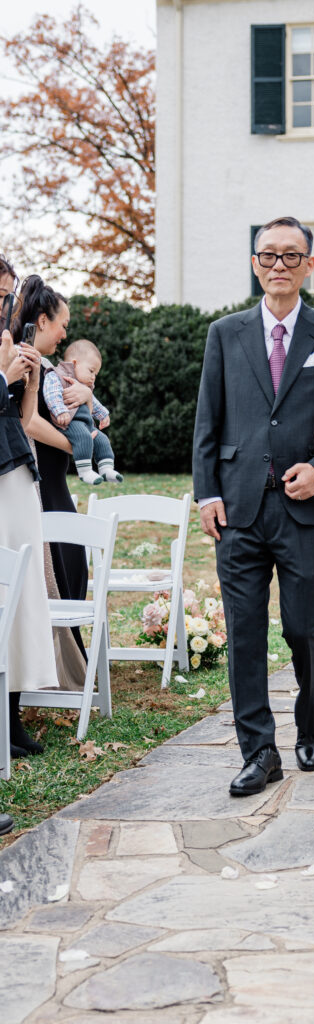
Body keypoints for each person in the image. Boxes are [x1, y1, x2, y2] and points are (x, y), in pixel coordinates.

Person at [193, 215, 314, 797]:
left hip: (306, 511)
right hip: (238, 509)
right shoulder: (225, 333)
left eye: (292, 255)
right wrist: (207, 493)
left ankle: (311, 725)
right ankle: (259, 751)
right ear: (255, 263)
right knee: (244, 632)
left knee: (303, 628)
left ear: (309, 265)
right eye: (268, 255)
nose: (279, 265)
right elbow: (208, 422)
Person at [0, 258, 59, 757]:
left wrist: (31, 381)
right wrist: (3, 377)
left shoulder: (7, 341)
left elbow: (23, 421)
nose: (4, 304)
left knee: (22, 595)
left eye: (7, 295)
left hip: (17, 476)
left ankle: (11, 718)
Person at [17, 275, 89, 680]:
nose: (65, 333)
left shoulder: (48, 368)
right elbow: (27, 423)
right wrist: (75, 446)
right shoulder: (26, 364)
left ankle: (70, 664)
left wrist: (87, 397)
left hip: (56, 484)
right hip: (40, 485)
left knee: (73, 569)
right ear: (42, 321)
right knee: (61, 570)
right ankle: (64, 669)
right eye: (62, 324)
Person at [43, 338, 122, 485]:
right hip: (69, 422)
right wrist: (60, 411)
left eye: (96, 374)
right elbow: (51, 394)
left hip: (86, 424)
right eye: (91, 371)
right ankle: (85, 471)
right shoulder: (57, 375)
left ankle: (106, 469)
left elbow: (93, 401)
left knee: (102, 439)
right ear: (74, 363)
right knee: (83, 437)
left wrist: (103, 414)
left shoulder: (84, 384)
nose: (93, 377)